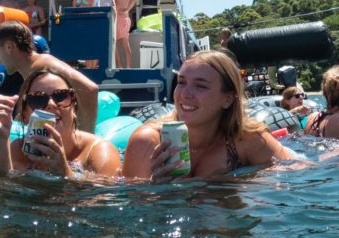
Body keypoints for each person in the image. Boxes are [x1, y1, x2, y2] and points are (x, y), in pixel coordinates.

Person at [122, 50, 295, 181]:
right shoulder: (147, 143)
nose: (185, 94)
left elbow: (296, 169)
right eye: (181, 82)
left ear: (227, 99)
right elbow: (132, 212)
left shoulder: (246, 140)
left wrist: (251, 184)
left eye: (201, 86)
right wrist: (153, 192)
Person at [0, 67, 120, 177]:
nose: (51, 104)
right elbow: (0, 193)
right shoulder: (18, 150)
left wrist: (64, 171)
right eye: (38, 99)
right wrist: (0, 139)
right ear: (25, 115)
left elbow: (101, 200)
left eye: (61, 96)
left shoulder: (98, 151)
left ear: (74, 109)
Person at [0, 20, 99, 133]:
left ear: (9, 47)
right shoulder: (31, 68)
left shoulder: (42, 66)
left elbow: (90, 89)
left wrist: (83, 136)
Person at [114, 0, 137, 68]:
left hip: (123, 18)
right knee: (114, 43)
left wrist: (127, 9)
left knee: (125, 43)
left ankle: (128, 67)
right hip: (115, 18)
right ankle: (119, 66)